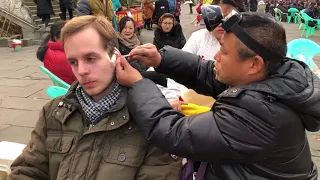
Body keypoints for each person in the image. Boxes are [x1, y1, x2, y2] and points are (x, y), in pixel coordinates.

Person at [115, 13, 319, 179]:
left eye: (223, 51)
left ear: (254, 64)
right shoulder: (274, 76)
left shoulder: (260, 115)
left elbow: (172, 132)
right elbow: (205, 72)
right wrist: (162, 59)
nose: (216, 56)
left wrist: (139, 84)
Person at [7, 15, 182, 180]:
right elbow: (27, 171)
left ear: (115, 56)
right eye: (73, 62)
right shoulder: (53, 113)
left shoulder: (152, 119)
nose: (81, 71)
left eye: (91, 58)